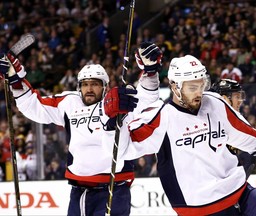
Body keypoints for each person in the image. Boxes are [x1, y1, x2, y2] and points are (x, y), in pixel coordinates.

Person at [0, 42, 162, 216]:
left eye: (95, 84)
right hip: (79, 191)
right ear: (79, 87)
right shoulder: (69, 103)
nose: (89, 89)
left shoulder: (118, 102)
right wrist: (16, 81)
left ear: (104, 87)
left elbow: (146, 101)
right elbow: (34, 107)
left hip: (114, 189)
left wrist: (150, 72)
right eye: (85, 84)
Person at [118, 55, 256, 215]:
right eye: (192, 87)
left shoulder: (215, 102)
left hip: (240, 192)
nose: (199, 92)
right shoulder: (161, 117)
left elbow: (241, 131)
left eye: (201, 85)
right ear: (175, 86)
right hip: (201, 209)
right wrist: (115, 119)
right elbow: (122, 149)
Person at [210, 79, 256, 178]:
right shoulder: (211, 122)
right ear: (224, 99)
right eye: (237, 97)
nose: (240, 101)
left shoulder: (234, 120)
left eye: (241, 97)